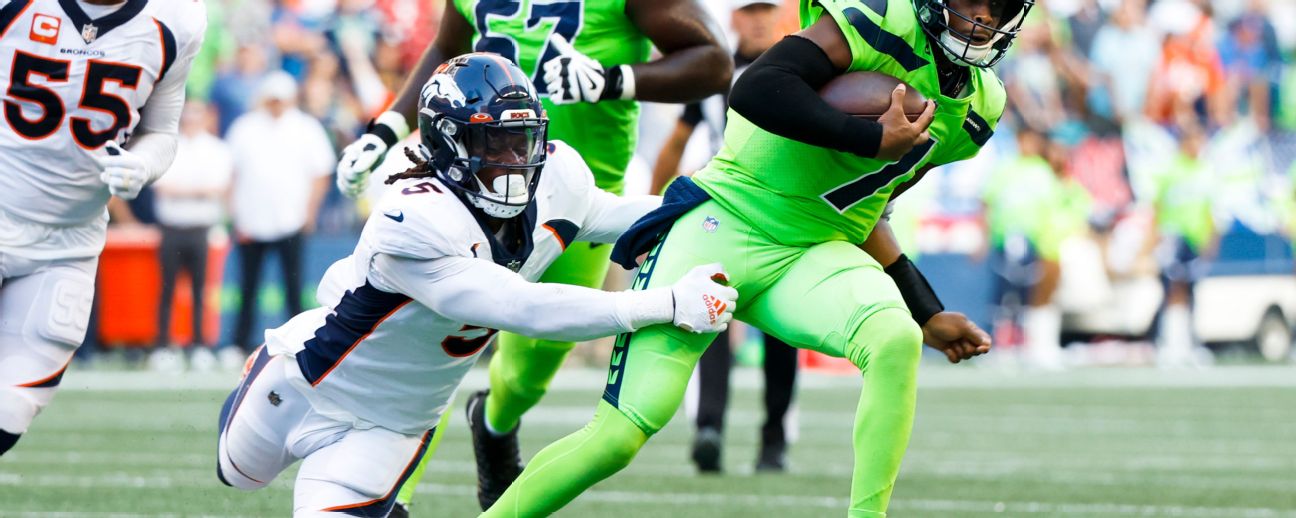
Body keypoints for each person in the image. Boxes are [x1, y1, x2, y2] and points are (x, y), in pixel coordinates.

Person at [482, 0, 1032, 515]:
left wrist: (924, 307)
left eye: (998, 5)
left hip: (812, 251)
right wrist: (864, 137)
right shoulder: (879, 18)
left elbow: (868, 203)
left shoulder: (981, 108)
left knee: (895, 338)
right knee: (618, 436)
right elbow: (756, 88)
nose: (981, 17)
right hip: (723, 225)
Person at [215, 54, 736, 516]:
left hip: (392, 425)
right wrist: (665, 303)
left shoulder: (557, 179)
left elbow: (623, 215)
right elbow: (526, 308)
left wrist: (719, 214)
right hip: (307, 384)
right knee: (236, 473)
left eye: (522, 140)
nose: (512, 160)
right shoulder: (413, 216)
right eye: (491, 142)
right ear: (444, 142)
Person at [332, 0, 732, 512]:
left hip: (566, 191)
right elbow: (446, 53)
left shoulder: (567, 176)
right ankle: (388, 499)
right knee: (427, 348)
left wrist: (615, 80)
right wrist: (383, 128)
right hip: (464, 186)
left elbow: (715, 62)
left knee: (528, 373)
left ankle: (495, 420)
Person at [0, 0, 206, 456]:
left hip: (68, 244)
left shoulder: (176, 19)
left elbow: (162, 132)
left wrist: (142, 164)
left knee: (9, 410)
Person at [650, 0, 798, 474]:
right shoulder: (716, 72)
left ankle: (773, 441)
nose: (757, 18)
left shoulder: (802, 65)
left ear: (778, 15)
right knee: (710, 314)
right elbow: (676, 141)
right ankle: (709, 428)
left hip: (784, 212)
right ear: (734, 17)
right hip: (726, 211)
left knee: (783, 329)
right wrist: (653, 210)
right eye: (749, 10)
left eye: (765, 9)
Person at [226, 71, 334, 355]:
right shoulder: (245, 127)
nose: (276, 105)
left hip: (291, 219)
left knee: (293, 284)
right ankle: (239, 342)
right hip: (252, 220)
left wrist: (310, 213)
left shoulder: (306, 127)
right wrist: (234, 214)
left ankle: (297, 341)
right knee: (247, 286)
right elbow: (232, 174)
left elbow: (320, 174)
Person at [149, 101, 234, 372]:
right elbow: (163, 187)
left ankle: (200, 345)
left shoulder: (217, 149)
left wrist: (184, 189)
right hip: (172, 226)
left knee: (201, 290)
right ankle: (163, 345)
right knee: (167, 289)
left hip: (201, 228)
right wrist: (196, 190)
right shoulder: (171, 146)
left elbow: (216, 188)